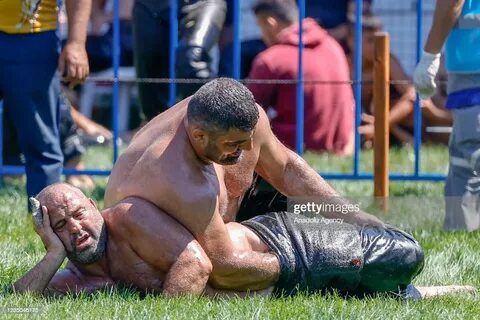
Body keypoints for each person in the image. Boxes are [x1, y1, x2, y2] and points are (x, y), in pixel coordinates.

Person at [103, 77, 383, 291]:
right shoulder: (180, 180)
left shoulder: (236, 119)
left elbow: (285, 168)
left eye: (248, 139)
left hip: (220, 229)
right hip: (155, 262)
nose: (248, 148)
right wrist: (308, 260)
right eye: (234, 144)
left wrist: (354, 216)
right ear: (199, 136)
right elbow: (224, 268)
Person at [14, 183, 476, 298]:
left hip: (287, 242)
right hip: (278, 280)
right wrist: (53, 254)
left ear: (95, 206)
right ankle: (418, 296)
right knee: (357, 286)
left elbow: (195, 266)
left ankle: (360, 217)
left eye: (78, 214)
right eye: (61, 227)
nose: (76, 228)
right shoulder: (77, 275)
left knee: (404, 253)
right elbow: (21, 298)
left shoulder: (128, 218)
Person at [0, 0, 91, 204]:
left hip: (32, 34)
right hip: (30, 37)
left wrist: (76, 43)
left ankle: (47, 227)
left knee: (41, 145)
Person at [247, 0, 354, 154]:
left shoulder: (270, 59)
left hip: (293, 147)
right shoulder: (332, 45)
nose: (262, 34)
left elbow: (247, 112)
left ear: (271, 23)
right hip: (341, 146)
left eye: (260, 27)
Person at [413, 0, 480, 231]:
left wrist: (430, 55)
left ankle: (461, 228)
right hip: (469, 61)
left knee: (470, 153)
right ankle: (459, 227)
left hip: (473, 62)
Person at [345, 14, 452, 147]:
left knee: (408, 103)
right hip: (355, 118)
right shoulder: (344, 65)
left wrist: (380, 124)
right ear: (351, 40)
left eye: (381, 40)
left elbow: (412, 94)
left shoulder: (387, 61)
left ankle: (379, 130)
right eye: (370, 40)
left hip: (391, 119)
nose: (377, 46)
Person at [132, 0, 226, 120]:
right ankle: (160, 131)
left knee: (192, 57)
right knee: (150, 76)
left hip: (203, 2)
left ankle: (210, 123)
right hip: (150, 6)